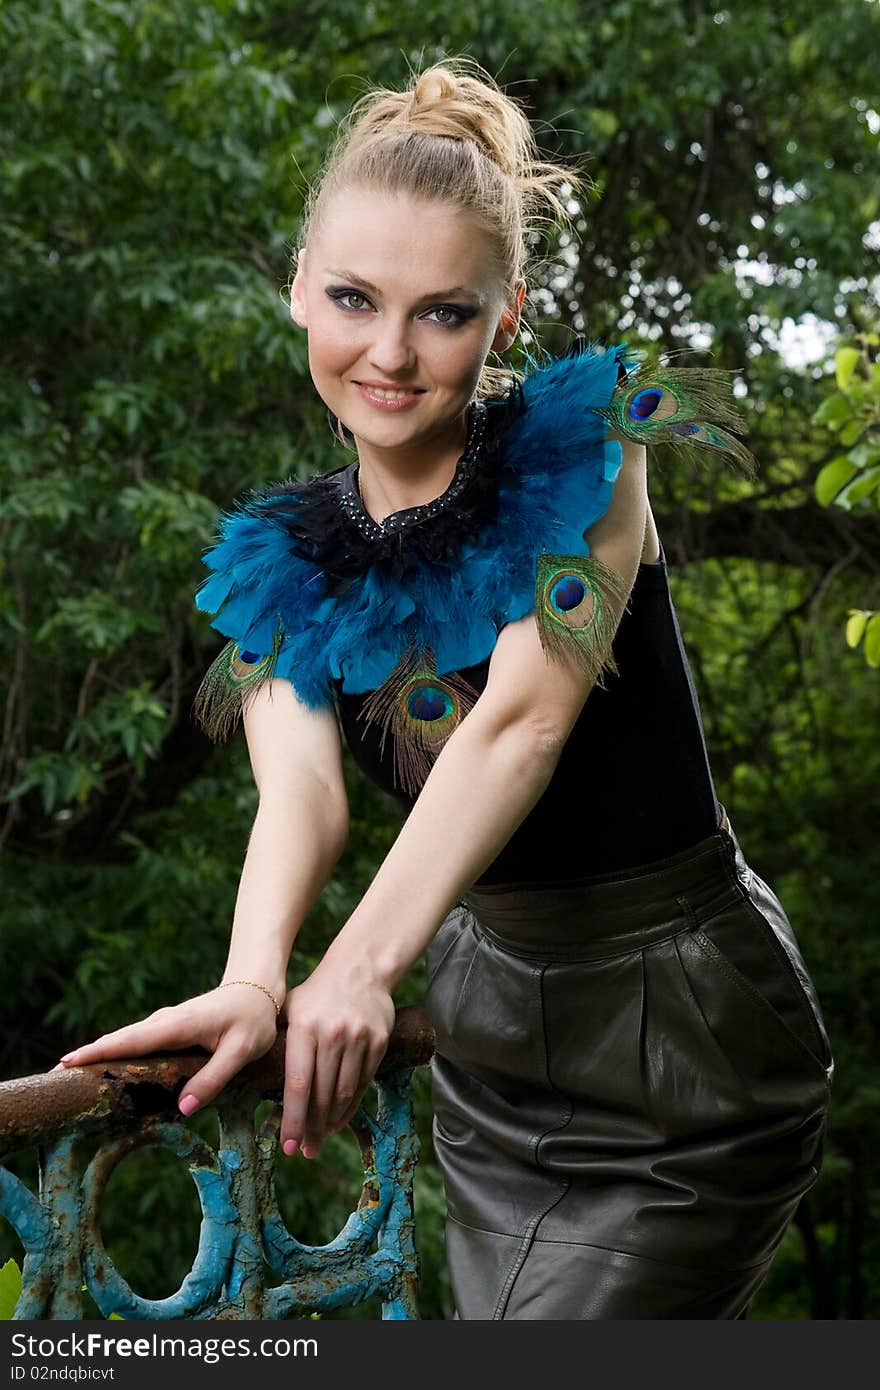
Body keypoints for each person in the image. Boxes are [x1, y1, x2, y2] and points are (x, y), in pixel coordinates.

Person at [57, 59, 833, 1320]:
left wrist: (357, 969)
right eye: (355, 298)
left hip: (680, 1033)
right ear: (297, 283)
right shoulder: (281, 562)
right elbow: (299, 797)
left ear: (507, 313)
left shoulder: (589, 452)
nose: (391, 354)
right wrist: (258, 978)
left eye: (445, 313)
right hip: (491, 1049)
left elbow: (521, 722)